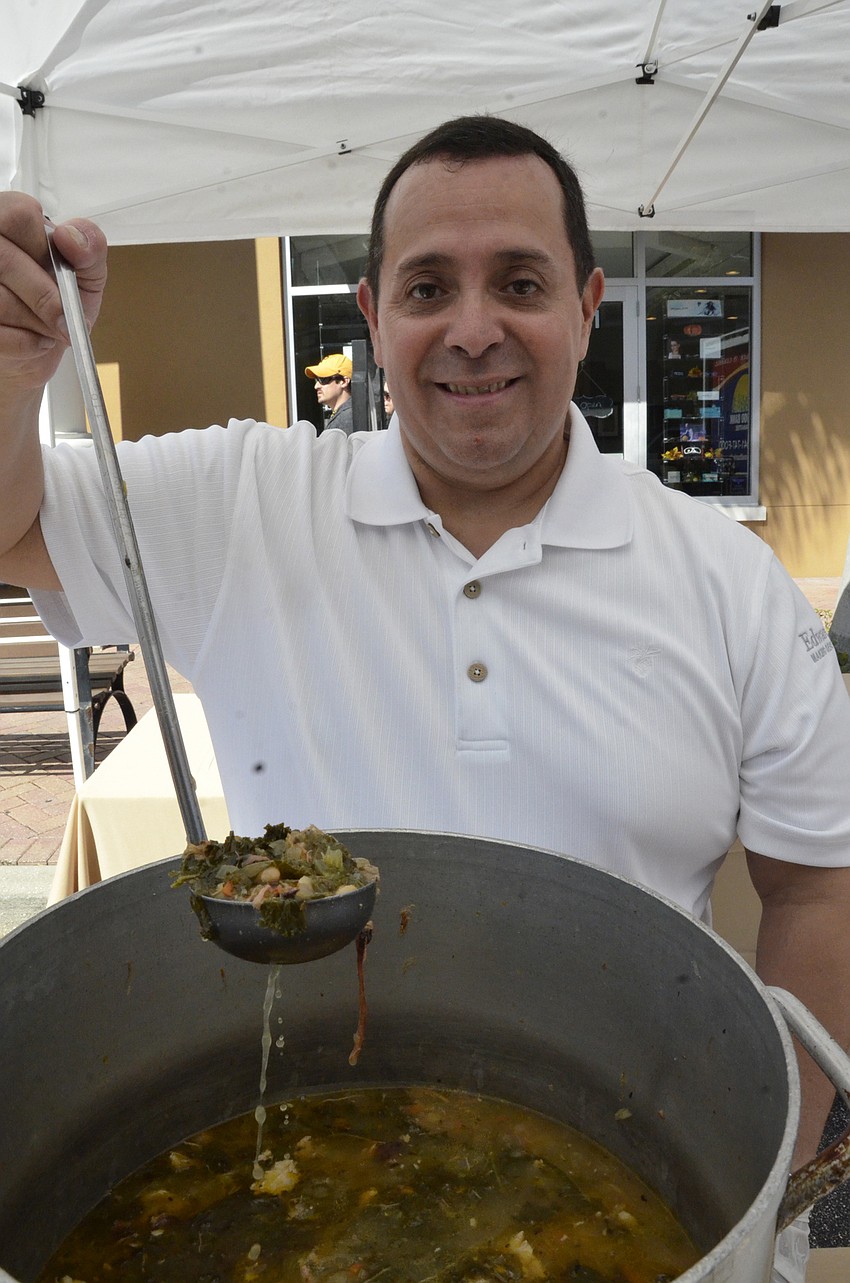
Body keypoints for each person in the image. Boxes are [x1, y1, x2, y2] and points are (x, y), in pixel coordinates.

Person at [0, 116, 848, 1280]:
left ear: (589, 303)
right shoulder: (243, 500)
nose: (472, 327)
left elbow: (818, 885)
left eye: (519, 281)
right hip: (287, 1114)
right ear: (373, 313)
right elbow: (18, 521)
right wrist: (10, 374)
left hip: (638, 1145)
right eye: (428, 285)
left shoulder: (725, 578)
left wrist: (773, 1185)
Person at [305, 352, 353, 433]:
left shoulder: (347, 418)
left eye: (323, 379)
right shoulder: (343, 415)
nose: (316, 386)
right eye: (316, 380)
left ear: (344, 381)